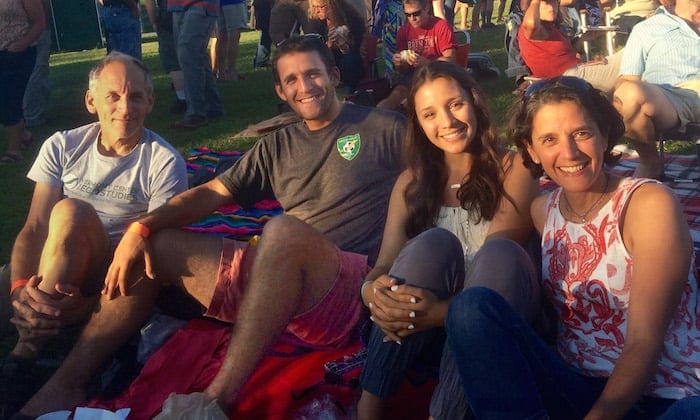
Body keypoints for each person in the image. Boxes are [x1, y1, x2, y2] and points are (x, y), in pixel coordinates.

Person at [16, 35, 406, 417]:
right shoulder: (277, 145)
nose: (304, 86)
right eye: (291, 80)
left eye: (313, 74)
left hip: (341, 286)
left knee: (283, 230)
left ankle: (214, 399)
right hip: (277, 276)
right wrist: (141, 229)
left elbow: (442, 170)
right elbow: (209, 194)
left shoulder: (382, 127)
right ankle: (68, 380)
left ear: (334, 75)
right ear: (280, 91)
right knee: (158, 244)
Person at [447, 76, 700, 419]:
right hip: (575, 387)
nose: (569, 153)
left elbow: (645, 342)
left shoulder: (648, 204)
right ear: (532, 150)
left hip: (662, 394)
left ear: (606, 134)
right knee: (471, 308)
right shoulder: (542, 211)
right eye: (549, 139)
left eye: (582, 133)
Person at [1, 52, 188, 415]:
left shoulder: (164, 162)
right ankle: (37, 316)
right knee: (8, 275)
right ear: (91, 101)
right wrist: (20, 288)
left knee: (72, 210)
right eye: (113, 96)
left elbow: (155, 251)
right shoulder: (63, 145)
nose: (125, 107)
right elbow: (35, 227)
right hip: (54, 261)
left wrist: (91, 305)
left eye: (135, 96)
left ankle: (24, 354)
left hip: (115, 273)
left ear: (150, 101)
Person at [357, 60, 542, 419]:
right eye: (430, 114)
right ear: (419, 123)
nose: (447, 122)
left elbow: (497, 268)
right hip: (423, 316)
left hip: (498, 311)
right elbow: (384, 263)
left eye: (455, 104)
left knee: (499, 256)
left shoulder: (514, 168)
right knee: (432, 245)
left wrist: (437, 312)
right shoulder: (411, 183)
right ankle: (367, 408)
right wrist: (374, 294)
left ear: (474, 101)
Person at [612, 0, 700, 179]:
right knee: (628, 94)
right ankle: (650, 163)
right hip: (670, 97)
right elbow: (627, 79)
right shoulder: (647, 29)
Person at [517, 0, 622, 95]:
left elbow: (567, 52)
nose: (551, 7)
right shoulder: (532, 31)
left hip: (576, 72)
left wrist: (585, 38)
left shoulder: (549, 28)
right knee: (632, 50)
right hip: (567, 79)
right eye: (545, 2)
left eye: (554, 2)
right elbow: (531, 24)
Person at [377, 0, 456, 110]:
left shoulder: (441, 26)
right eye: (407, 15)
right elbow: (403, 71)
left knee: (415, 99)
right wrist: (400, 63)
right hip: (413, 75)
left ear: (427, 8)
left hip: (438, 74)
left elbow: (451, 60)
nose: (412, 18)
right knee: (396, 95)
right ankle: (375, 117)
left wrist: (428, 63)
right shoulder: (403, 31)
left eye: (416, 13)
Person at [0, 0, 45, 164]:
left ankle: (14, 150)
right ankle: (23, 135)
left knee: (10, 98)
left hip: (17, 53)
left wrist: (20, 45)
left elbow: (39, 23)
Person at [168, 0, 225, 129]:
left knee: (188, 54)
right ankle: (212, 107)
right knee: (196, 56)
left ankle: (196, 113)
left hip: (200, 5)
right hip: (178, 6)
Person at [308, 0, 367, 90]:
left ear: (333, 5)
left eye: (321, 7)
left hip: (349, 60)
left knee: (351, 60)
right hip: (328, 59)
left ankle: (351, 90)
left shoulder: (351, 19)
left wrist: (342, 43)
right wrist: (329, 44)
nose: (317, 11)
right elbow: (316, 51)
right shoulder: (316, 22)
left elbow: (357, 48)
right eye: (314, 7)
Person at [144, 0, 188, 114]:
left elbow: (150, 2)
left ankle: (182, 98)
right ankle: (201, 94)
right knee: (192, 55)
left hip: (167, 17)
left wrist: (153, 20)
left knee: (173, 61)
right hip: (190, 12)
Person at [22, 0, 51, 129]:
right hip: (34, 28)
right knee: (37, 72)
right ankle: (33, 116)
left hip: (15, 29)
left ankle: (20, 115)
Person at [210, 0, 249, 82]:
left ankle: (221, 72)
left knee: (222, 36)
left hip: (218, 3)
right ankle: (231, 72)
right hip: (234, 2)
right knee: (234, 35)